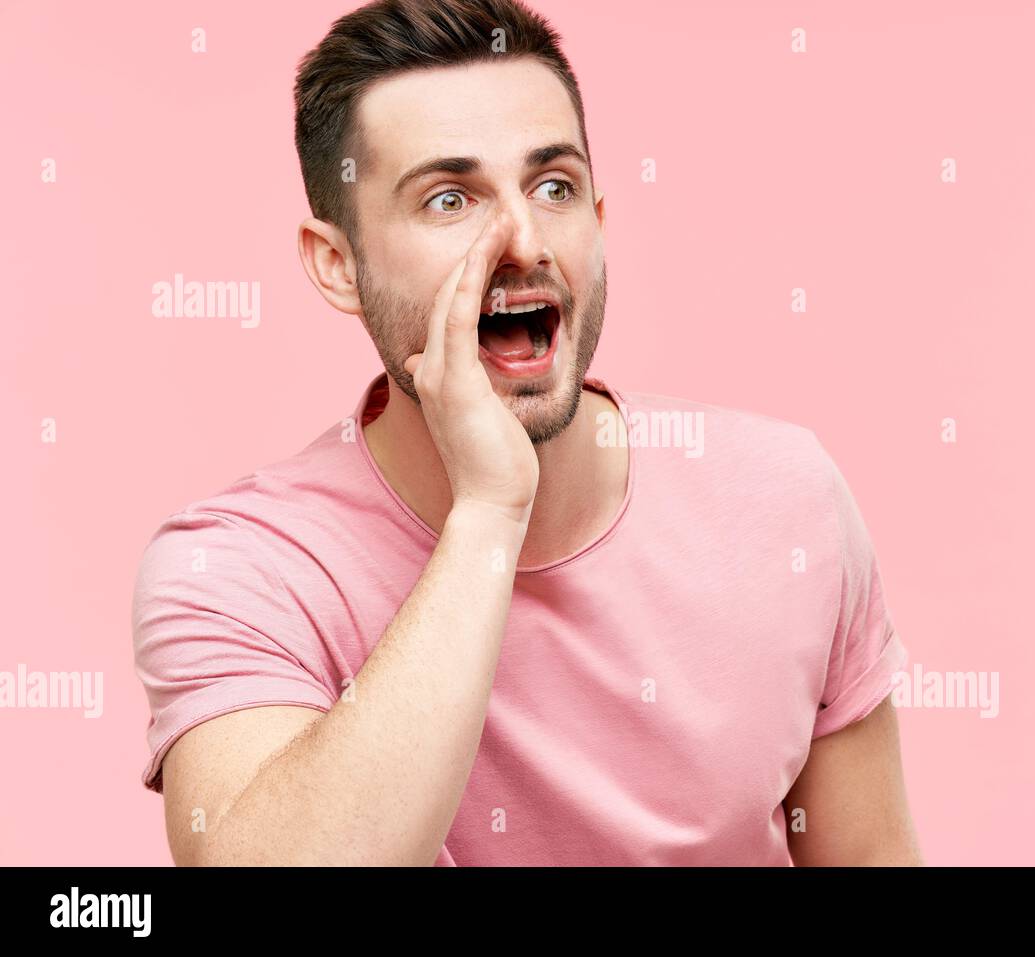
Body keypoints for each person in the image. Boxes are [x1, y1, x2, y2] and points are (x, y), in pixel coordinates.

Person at [131, 0, 922, 866]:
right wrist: (489, 514)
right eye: (449, 198)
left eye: (554, 187)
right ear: (339, 264)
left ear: (601, 224)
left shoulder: (783, 496)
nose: (523, 238)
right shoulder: (240, 568)